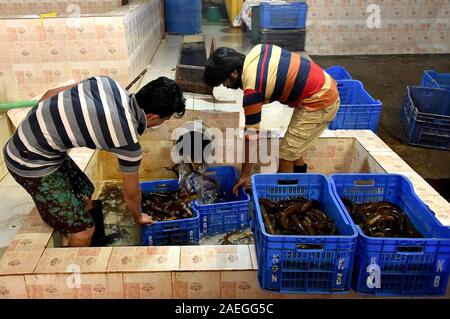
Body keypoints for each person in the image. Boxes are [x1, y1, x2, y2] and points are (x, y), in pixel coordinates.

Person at [3, 76, 186, 247]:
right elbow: (131, 193)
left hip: (36, 147)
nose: (161, 124)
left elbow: (50, 95)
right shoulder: (127, 139)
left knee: (85, 191)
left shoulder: (106, 83)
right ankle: (75, 268)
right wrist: (138, 217)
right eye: (165, 120)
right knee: (84, 230)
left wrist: (42, 130)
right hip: (28, 163)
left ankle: (95, 243)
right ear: (153, 117)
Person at [204, 44, 340, 195]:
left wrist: (244, 175)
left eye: (223, 81)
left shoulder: (253, 90)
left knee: (286, 154)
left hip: (319, 98)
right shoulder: (257, 51)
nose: (225, 86)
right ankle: (301, 187)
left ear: (234, 72)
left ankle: (282, 198)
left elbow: (251, 137)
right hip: (319, 87)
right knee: (294, 146)